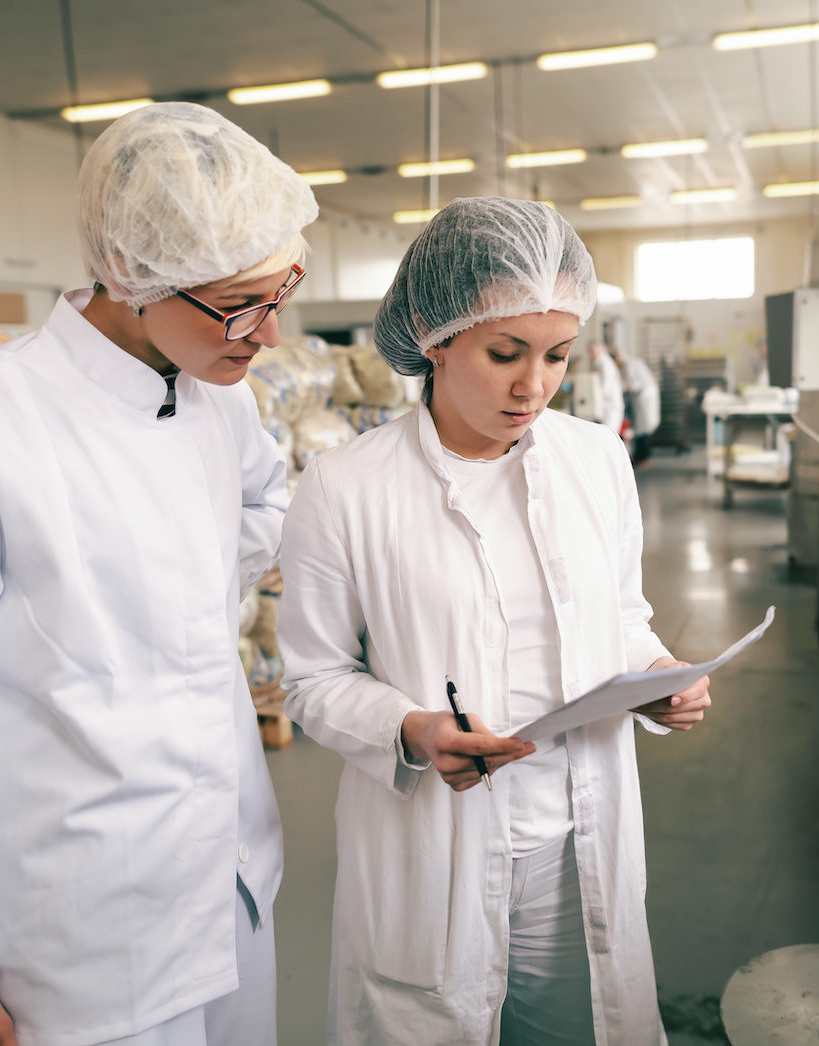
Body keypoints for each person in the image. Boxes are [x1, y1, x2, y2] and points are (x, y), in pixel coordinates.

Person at [0, 103, 315, 1046]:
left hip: (229, 886)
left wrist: (187, 568)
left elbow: (269, 503)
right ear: (133, 276)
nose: (267, 334)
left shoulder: (219, 400)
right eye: (239, 305)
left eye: (281, 292)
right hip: (79, 935)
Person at [278, 197, 712, 1045]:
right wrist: (410, 728)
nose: (535, 385)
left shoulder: (596, 460)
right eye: (505, 352)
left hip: (577, 838)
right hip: (433, 846)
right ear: (435, 339)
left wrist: (660, 676)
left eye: (557, 355)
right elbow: (312, 679)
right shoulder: (345, 487)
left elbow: (622, 615)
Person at [614, 345, 661, 467]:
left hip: (645, 398)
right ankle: (641, 456)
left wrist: (623, 390)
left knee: (643, 427)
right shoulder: (630, 364)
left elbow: (633, 385)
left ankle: (642, 457)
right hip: (643, 398)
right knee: (642, 427)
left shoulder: (630, 365)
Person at [588, 340, 626, 436]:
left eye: (592, 351)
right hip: (606, 406)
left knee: (609, 435)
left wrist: (596, 401)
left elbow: (606, 387)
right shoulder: (600, 362)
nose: (590, 354)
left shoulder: (604, 363)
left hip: (610, 405)